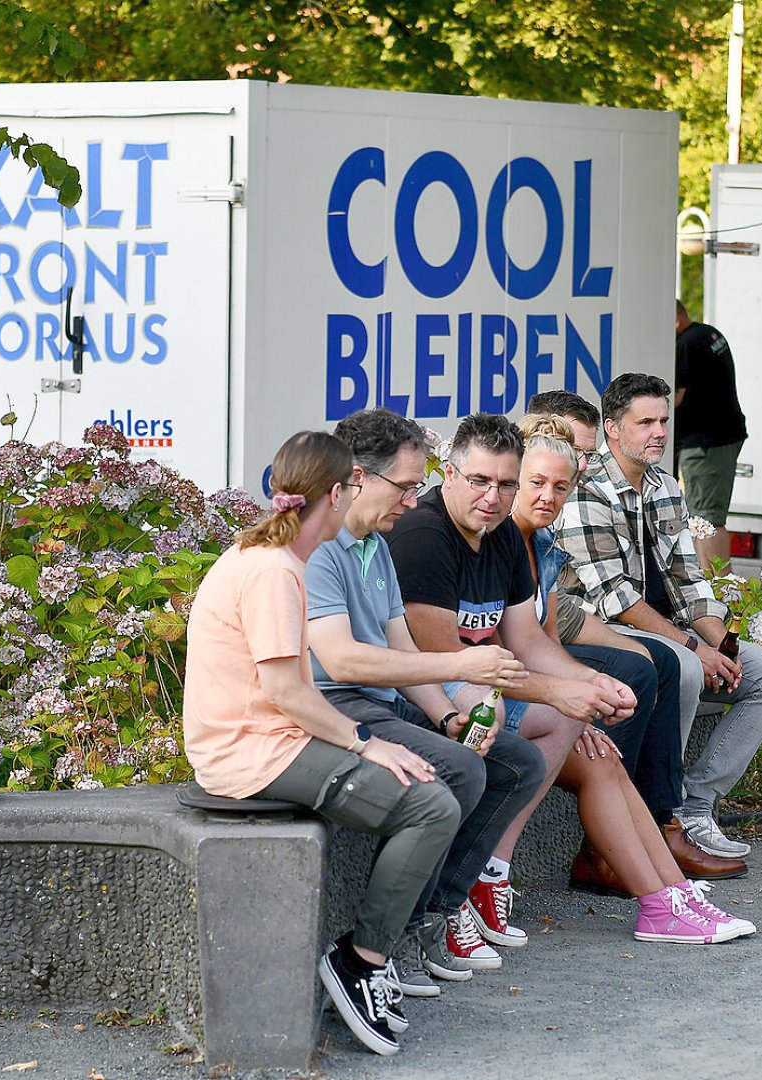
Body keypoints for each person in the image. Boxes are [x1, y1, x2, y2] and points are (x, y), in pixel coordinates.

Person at [183, 431, 459, 1057]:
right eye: (355, 489)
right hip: (250, 754)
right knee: (430, 804)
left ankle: (367, 957)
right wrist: (365, 745)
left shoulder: (270, 558)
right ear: (336, 493)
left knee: (429, 789)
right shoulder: (273, 571)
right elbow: (286, 691)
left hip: (264, 741)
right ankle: (361, 961)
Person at [303, 409, 546, 996]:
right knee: (460, 768)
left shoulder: (374, 545)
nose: (414, 501)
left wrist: (448, 713)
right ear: (358, 477)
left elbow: (399, 647)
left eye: (417, 488)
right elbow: (343, 663)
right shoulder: (318, 548)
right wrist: (459, 666)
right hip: (337, 705)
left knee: (517, 762)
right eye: (407, 487)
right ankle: (396, 935)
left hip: (378, 700)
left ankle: (436, 911)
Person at [384, 413, 643, 963]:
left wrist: (591, 682)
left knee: (571, 714)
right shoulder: (424, 535)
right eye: (479, 481)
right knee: (495, 727)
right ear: (448, 474)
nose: (493, 497)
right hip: (416, 690)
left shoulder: (501, 534)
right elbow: (440, 661)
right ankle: (442, 904)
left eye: (505, 484)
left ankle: (488, 873)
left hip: (475, 681)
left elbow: (526, 638)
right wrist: (551, 691)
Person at [510, 416, 753, 939]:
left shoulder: (541, 548)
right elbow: (485, 655)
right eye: (537, 482)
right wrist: (573, 692)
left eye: (561, 483)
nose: (553, 492)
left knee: (607, 759)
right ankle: (491, 882)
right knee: (653, 667)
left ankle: (667, 891)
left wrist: (581, 691)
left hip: (525, 683)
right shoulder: (488, 541)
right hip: (481, 698)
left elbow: (538, 641)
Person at [554, 373, 762, 862]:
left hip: (674, 632)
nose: (659, 432)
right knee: (683, 668)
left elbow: (691, 585)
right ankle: (660, 816)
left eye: (664, 420)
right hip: (607, 630)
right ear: (612, 429)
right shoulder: (586, 491)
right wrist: (694, 650)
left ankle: (696, 806)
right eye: (645, 422)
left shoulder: (666, 488)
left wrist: (723, 647)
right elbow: (615, 599)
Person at [674, 300, 748, 570]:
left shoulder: (685, 344)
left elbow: (677, 397)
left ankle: (720, 593)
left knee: (706, 519)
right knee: (706, 517)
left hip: (706, 443)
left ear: (675, 321)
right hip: (725, 435)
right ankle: (713, 588)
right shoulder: (709, 334)